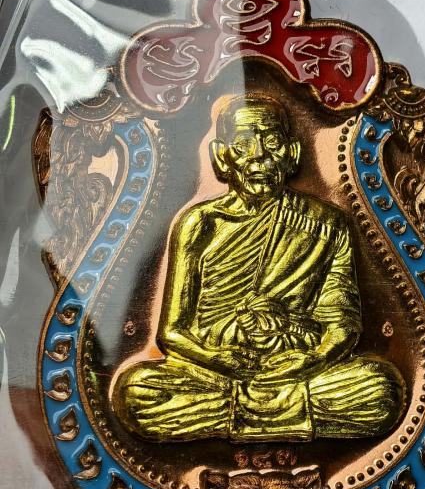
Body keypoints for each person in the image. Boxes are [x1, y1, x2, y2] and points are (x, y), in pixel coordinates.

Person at [112, 94, 405, 441]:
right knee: (136, 392)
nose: (260, 156)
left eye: (272, 143)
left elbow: (342, 324)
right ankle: (282, 414)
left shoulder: (326, 223)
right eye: (243, 145)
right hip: (218, 370)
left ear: (292, 153)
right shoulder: (200, 223)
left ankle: (235, 413)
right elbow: (172, 332)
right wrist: (218, 359)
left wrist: (312, 359)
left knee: (381, 389)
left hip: (297, 366)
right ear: (221, 156)